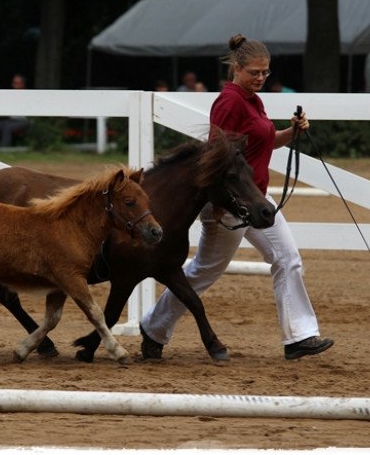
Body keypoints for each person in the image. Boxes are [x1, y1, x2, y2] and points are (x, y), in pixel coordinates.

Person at [140, 34, 334, 361]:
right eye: (254, 72)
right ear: (237, 68)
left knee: (288, 258)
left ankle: (299, 337)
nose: (260, 78)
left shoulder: (253, 100)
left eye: (265, 73)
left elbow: (263, 142)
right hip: (231, 204)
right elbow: (218, 155)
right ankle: (154, 328)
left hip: (255, 201)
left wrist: (292, 132)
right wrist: (217, 206)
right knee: (204, 271)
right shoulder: (230, 102)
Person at [0, 74, 30, 149]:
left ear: (23, 84)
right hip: (10, 120)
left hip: (23, 121)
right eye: (13, 83)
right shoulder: (10, 95)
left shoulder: (29, 95)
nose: (14, 85)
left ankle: (3, 151)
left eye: (17, 83)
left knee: (7, 127)